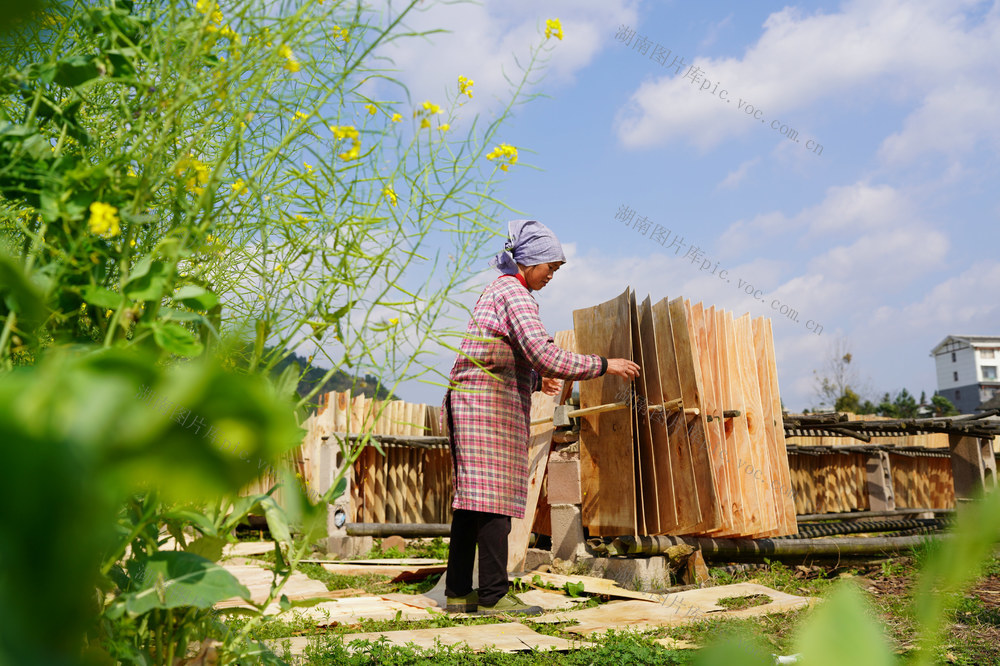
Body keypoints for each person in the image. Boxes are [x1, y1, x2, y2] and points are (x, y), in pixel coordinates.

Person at [441, 219, 641, 615]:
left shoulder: (502, 290)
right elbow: (541, 351)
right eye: (550, 265)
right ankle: (494, 596)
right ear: (529, 262)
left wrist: (534, 379)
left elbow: (508, 353)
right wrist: (605, 364)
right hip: (483, 405)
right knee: (492, 498)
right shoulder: (513, 292)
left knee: (472, 502)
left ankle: (459, 591)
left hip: (475, 400)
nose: (552, 274)